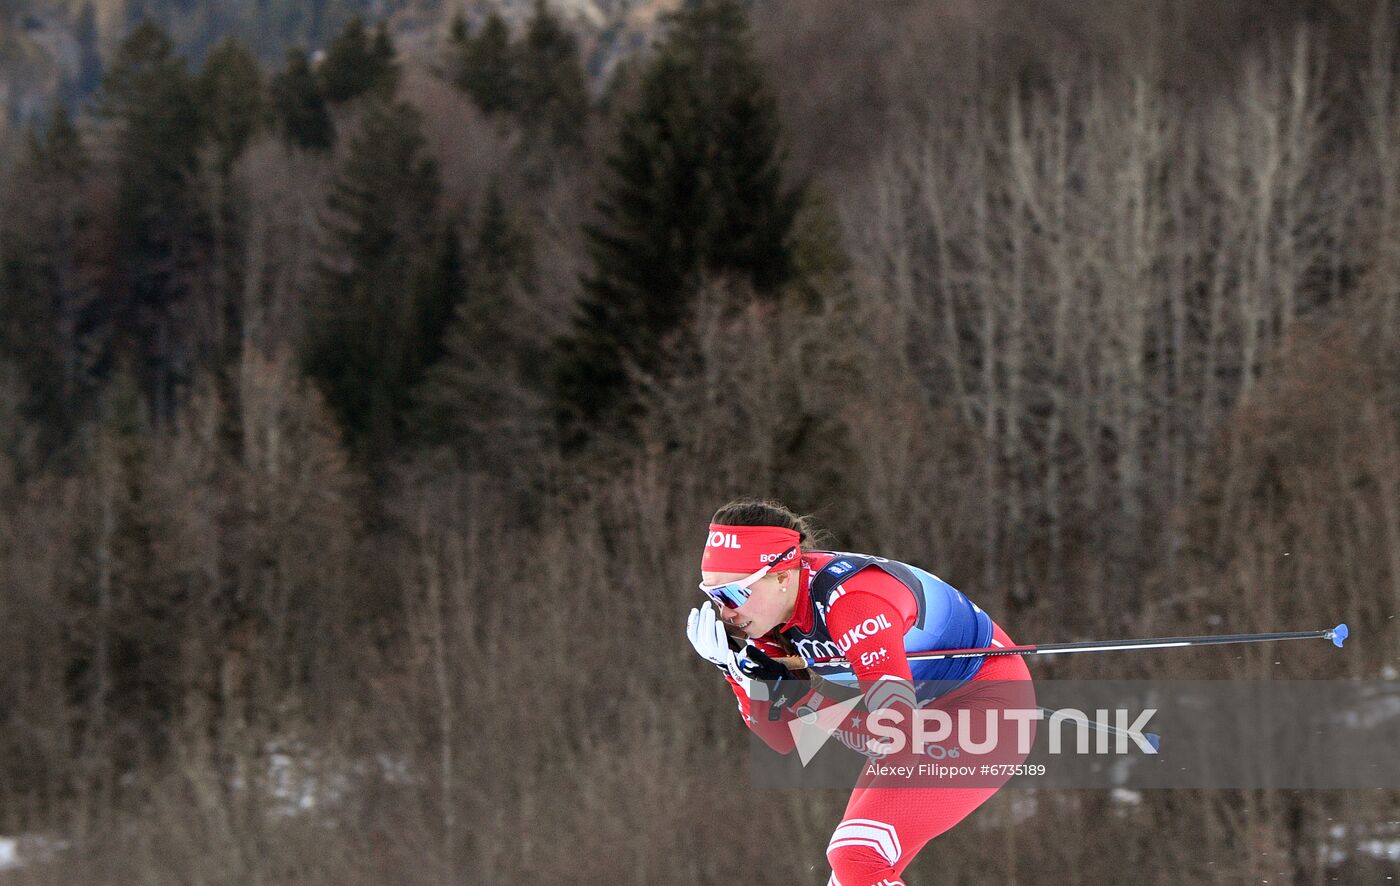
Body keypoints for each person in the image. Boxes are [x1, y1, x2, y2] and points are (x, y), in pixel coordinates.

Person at [686, 499, 1036, 886]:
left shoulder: (854, 602)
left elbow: (893, 735)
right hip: (925, 718)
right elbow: (784, 738)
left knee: (857, 854)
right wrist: (736, 672)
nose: (725, 613)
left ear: (782, 576)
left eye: (733, 594)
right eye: (713, 596)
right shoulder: (770, 622)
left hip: (986, 704)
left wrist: (797, 697)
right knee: (847, 875)